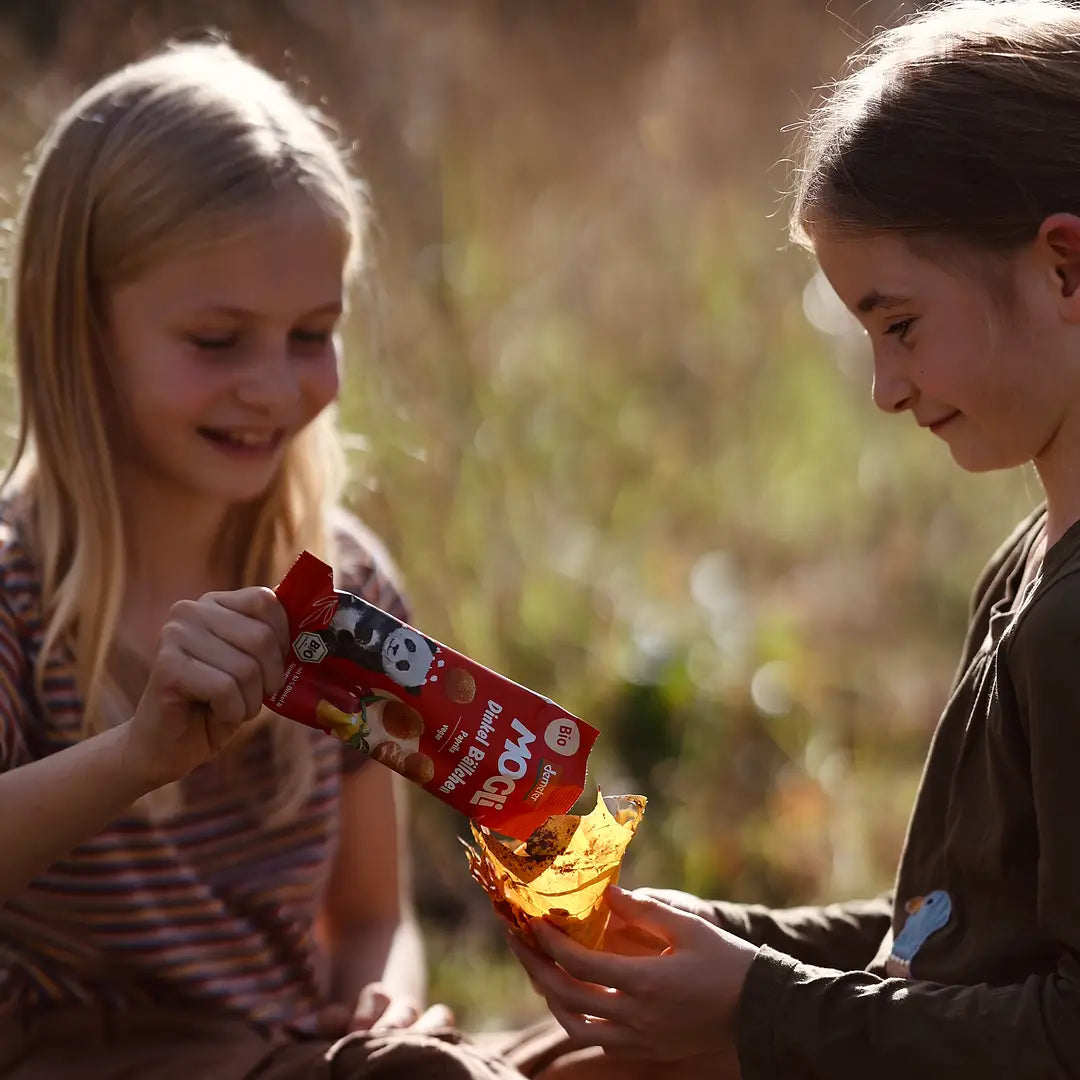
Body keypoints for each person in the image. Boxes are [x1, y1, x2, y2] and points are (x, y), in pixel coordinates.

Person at [505, 1, 1080, 1077]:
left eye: (899, 325)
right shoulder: (1027, 565)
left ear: (1064, 268)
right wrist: (736, 949)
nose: (885, 388)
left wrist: (756, 1012)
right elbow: (962, 935)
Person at [0, 39, 524, 1080]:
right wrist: (136, 755)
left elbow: (374, 916)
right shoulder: (16, 593)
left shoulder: (340, 590)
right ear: (82, 329)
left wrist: (391, 1001)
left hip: (297, 1053)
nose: (276, 389)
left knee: (666, 1049)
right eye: (216, 340)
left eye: (311, 332)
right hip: (84, 1058)